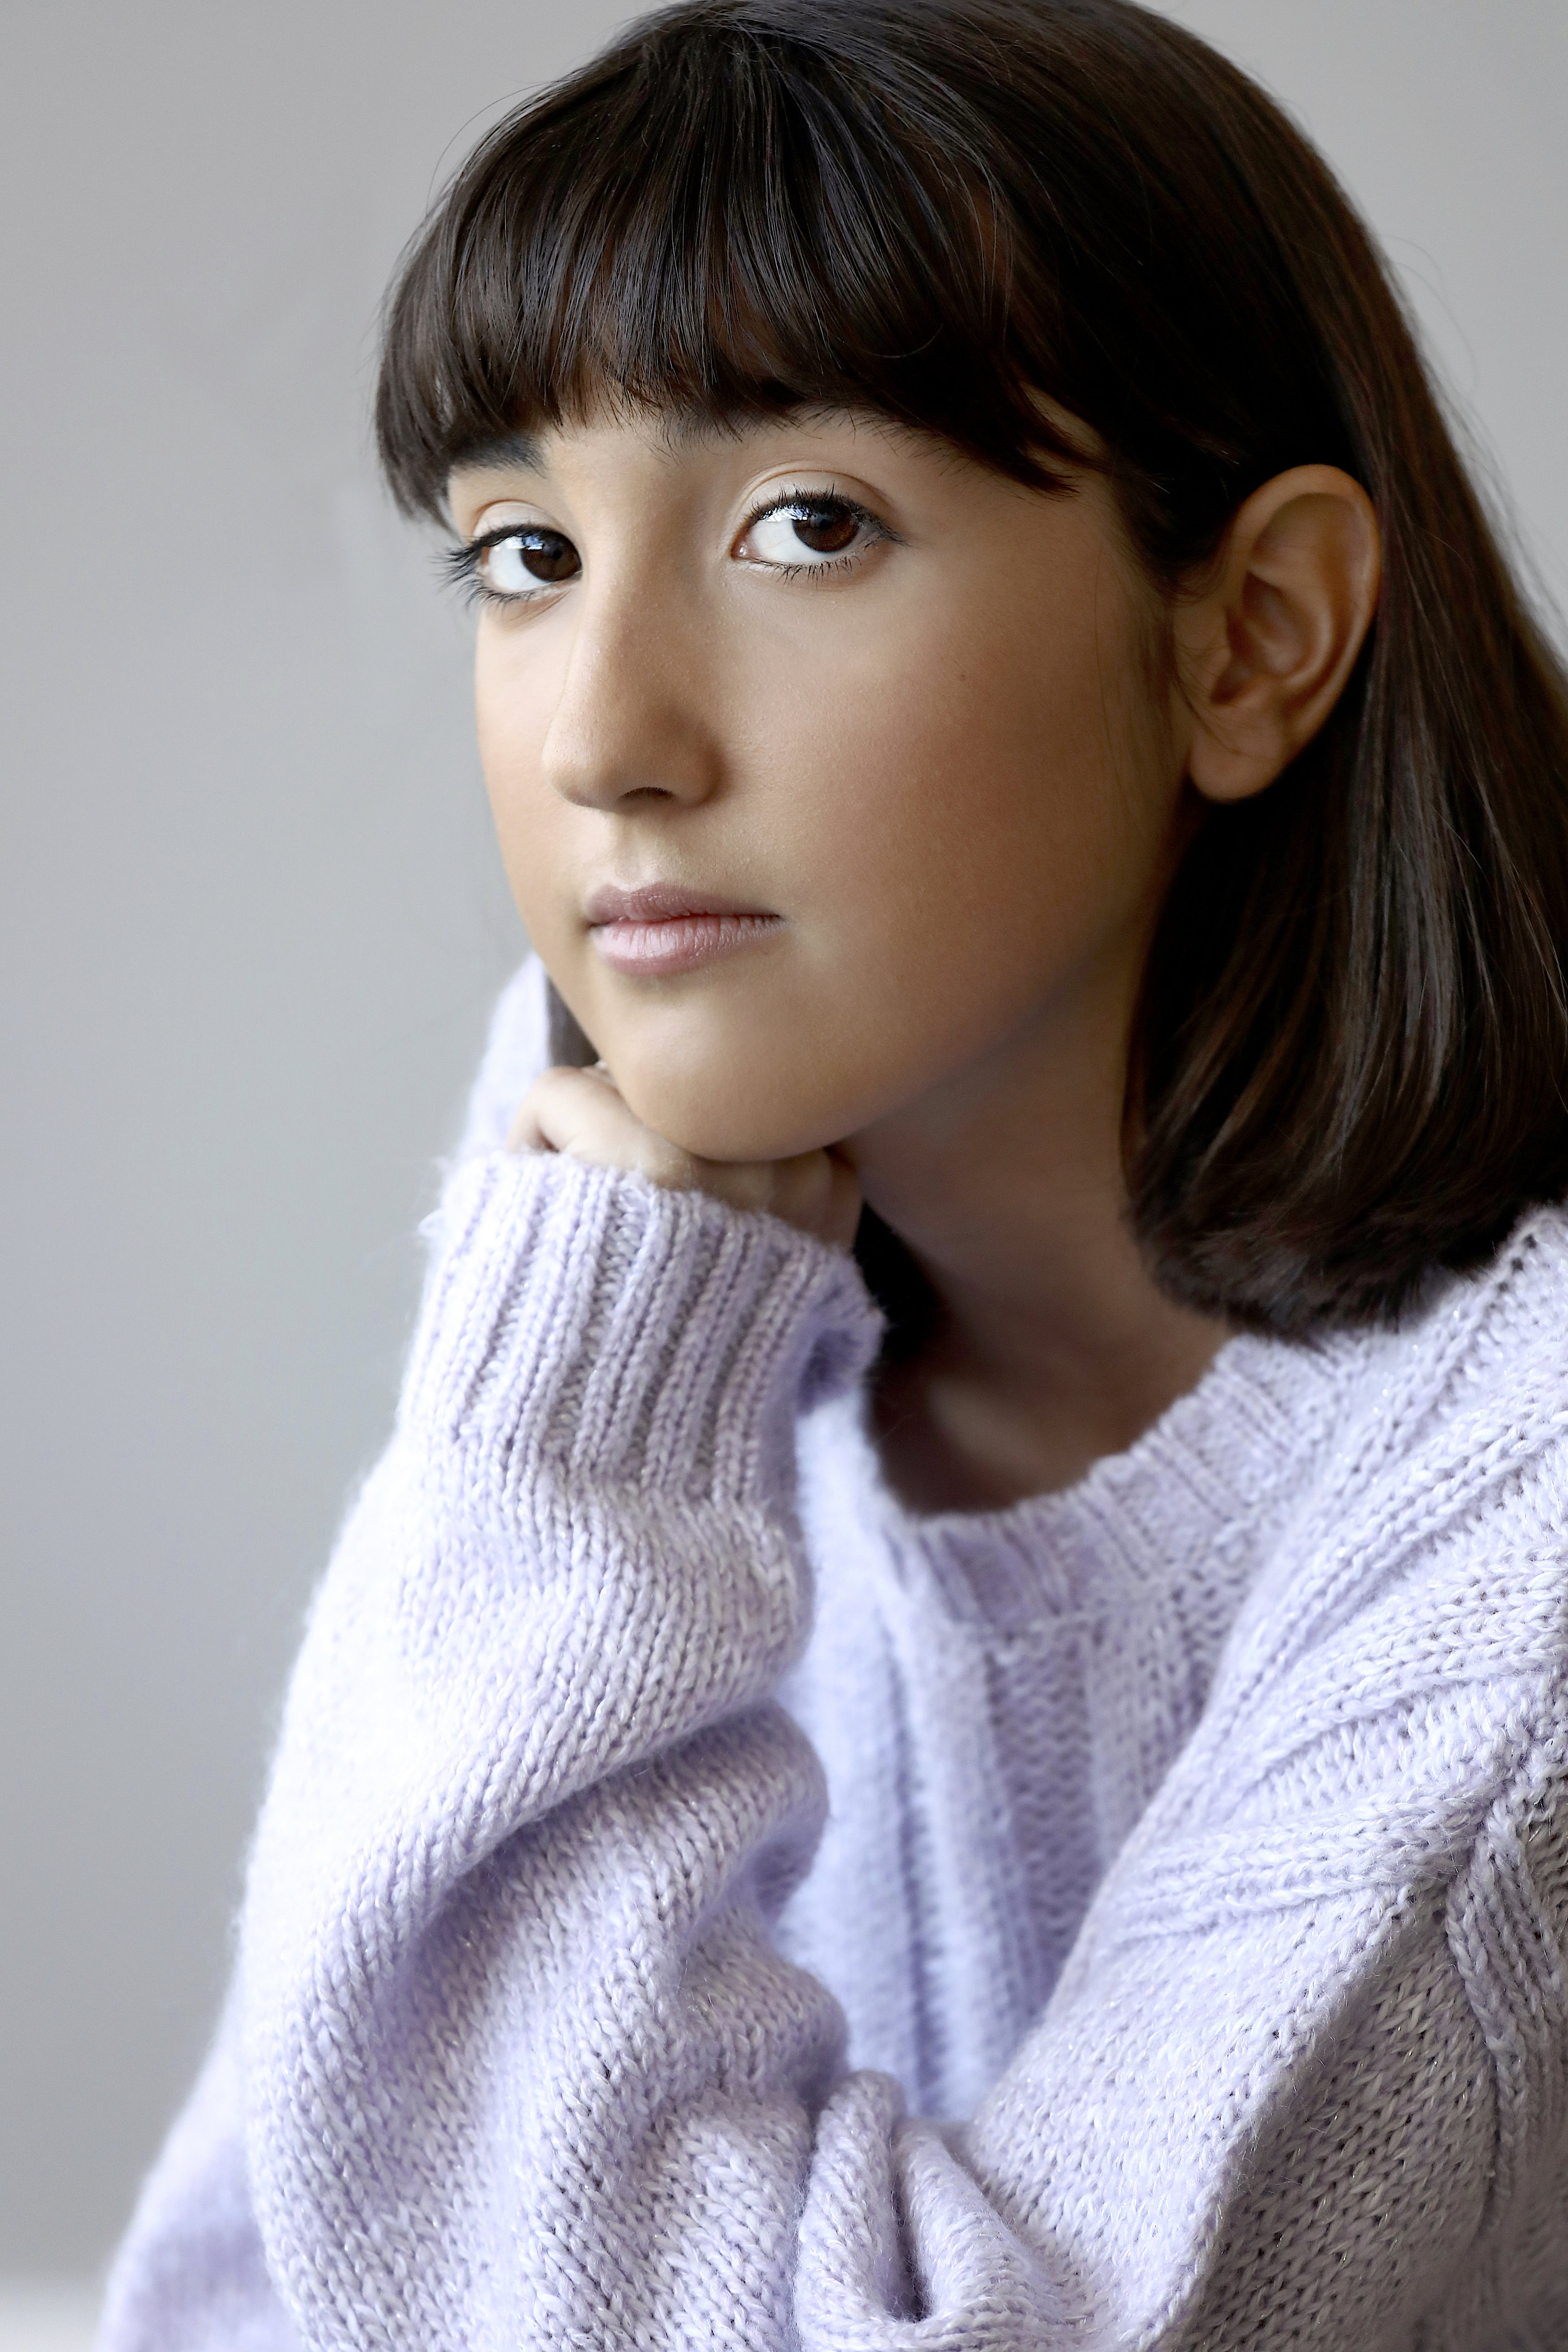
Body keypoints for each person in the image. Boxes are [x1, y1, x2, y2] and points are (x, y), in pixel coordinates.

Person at [100, 1, 1568, 2344]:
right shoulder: (659, 1233)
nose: (601, 737)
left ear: (1252, 636)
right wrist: (593, 1365)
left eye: (809, 523)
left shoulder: (1525, 1510)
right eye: (518, 551)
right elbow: (262, 2274)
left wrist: (586, 1414)